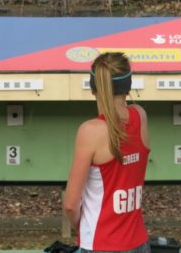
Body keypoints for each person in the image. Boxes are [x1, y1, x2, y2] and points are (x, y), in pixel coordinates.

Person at [64, 52, 150, 253]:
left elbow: (70, 205)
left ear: (94, 89)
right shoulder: (141, 116)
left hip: (100, 244)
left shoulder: (90, 131)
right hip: (139, 243)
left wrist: (82, 226)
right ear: (128, 87)